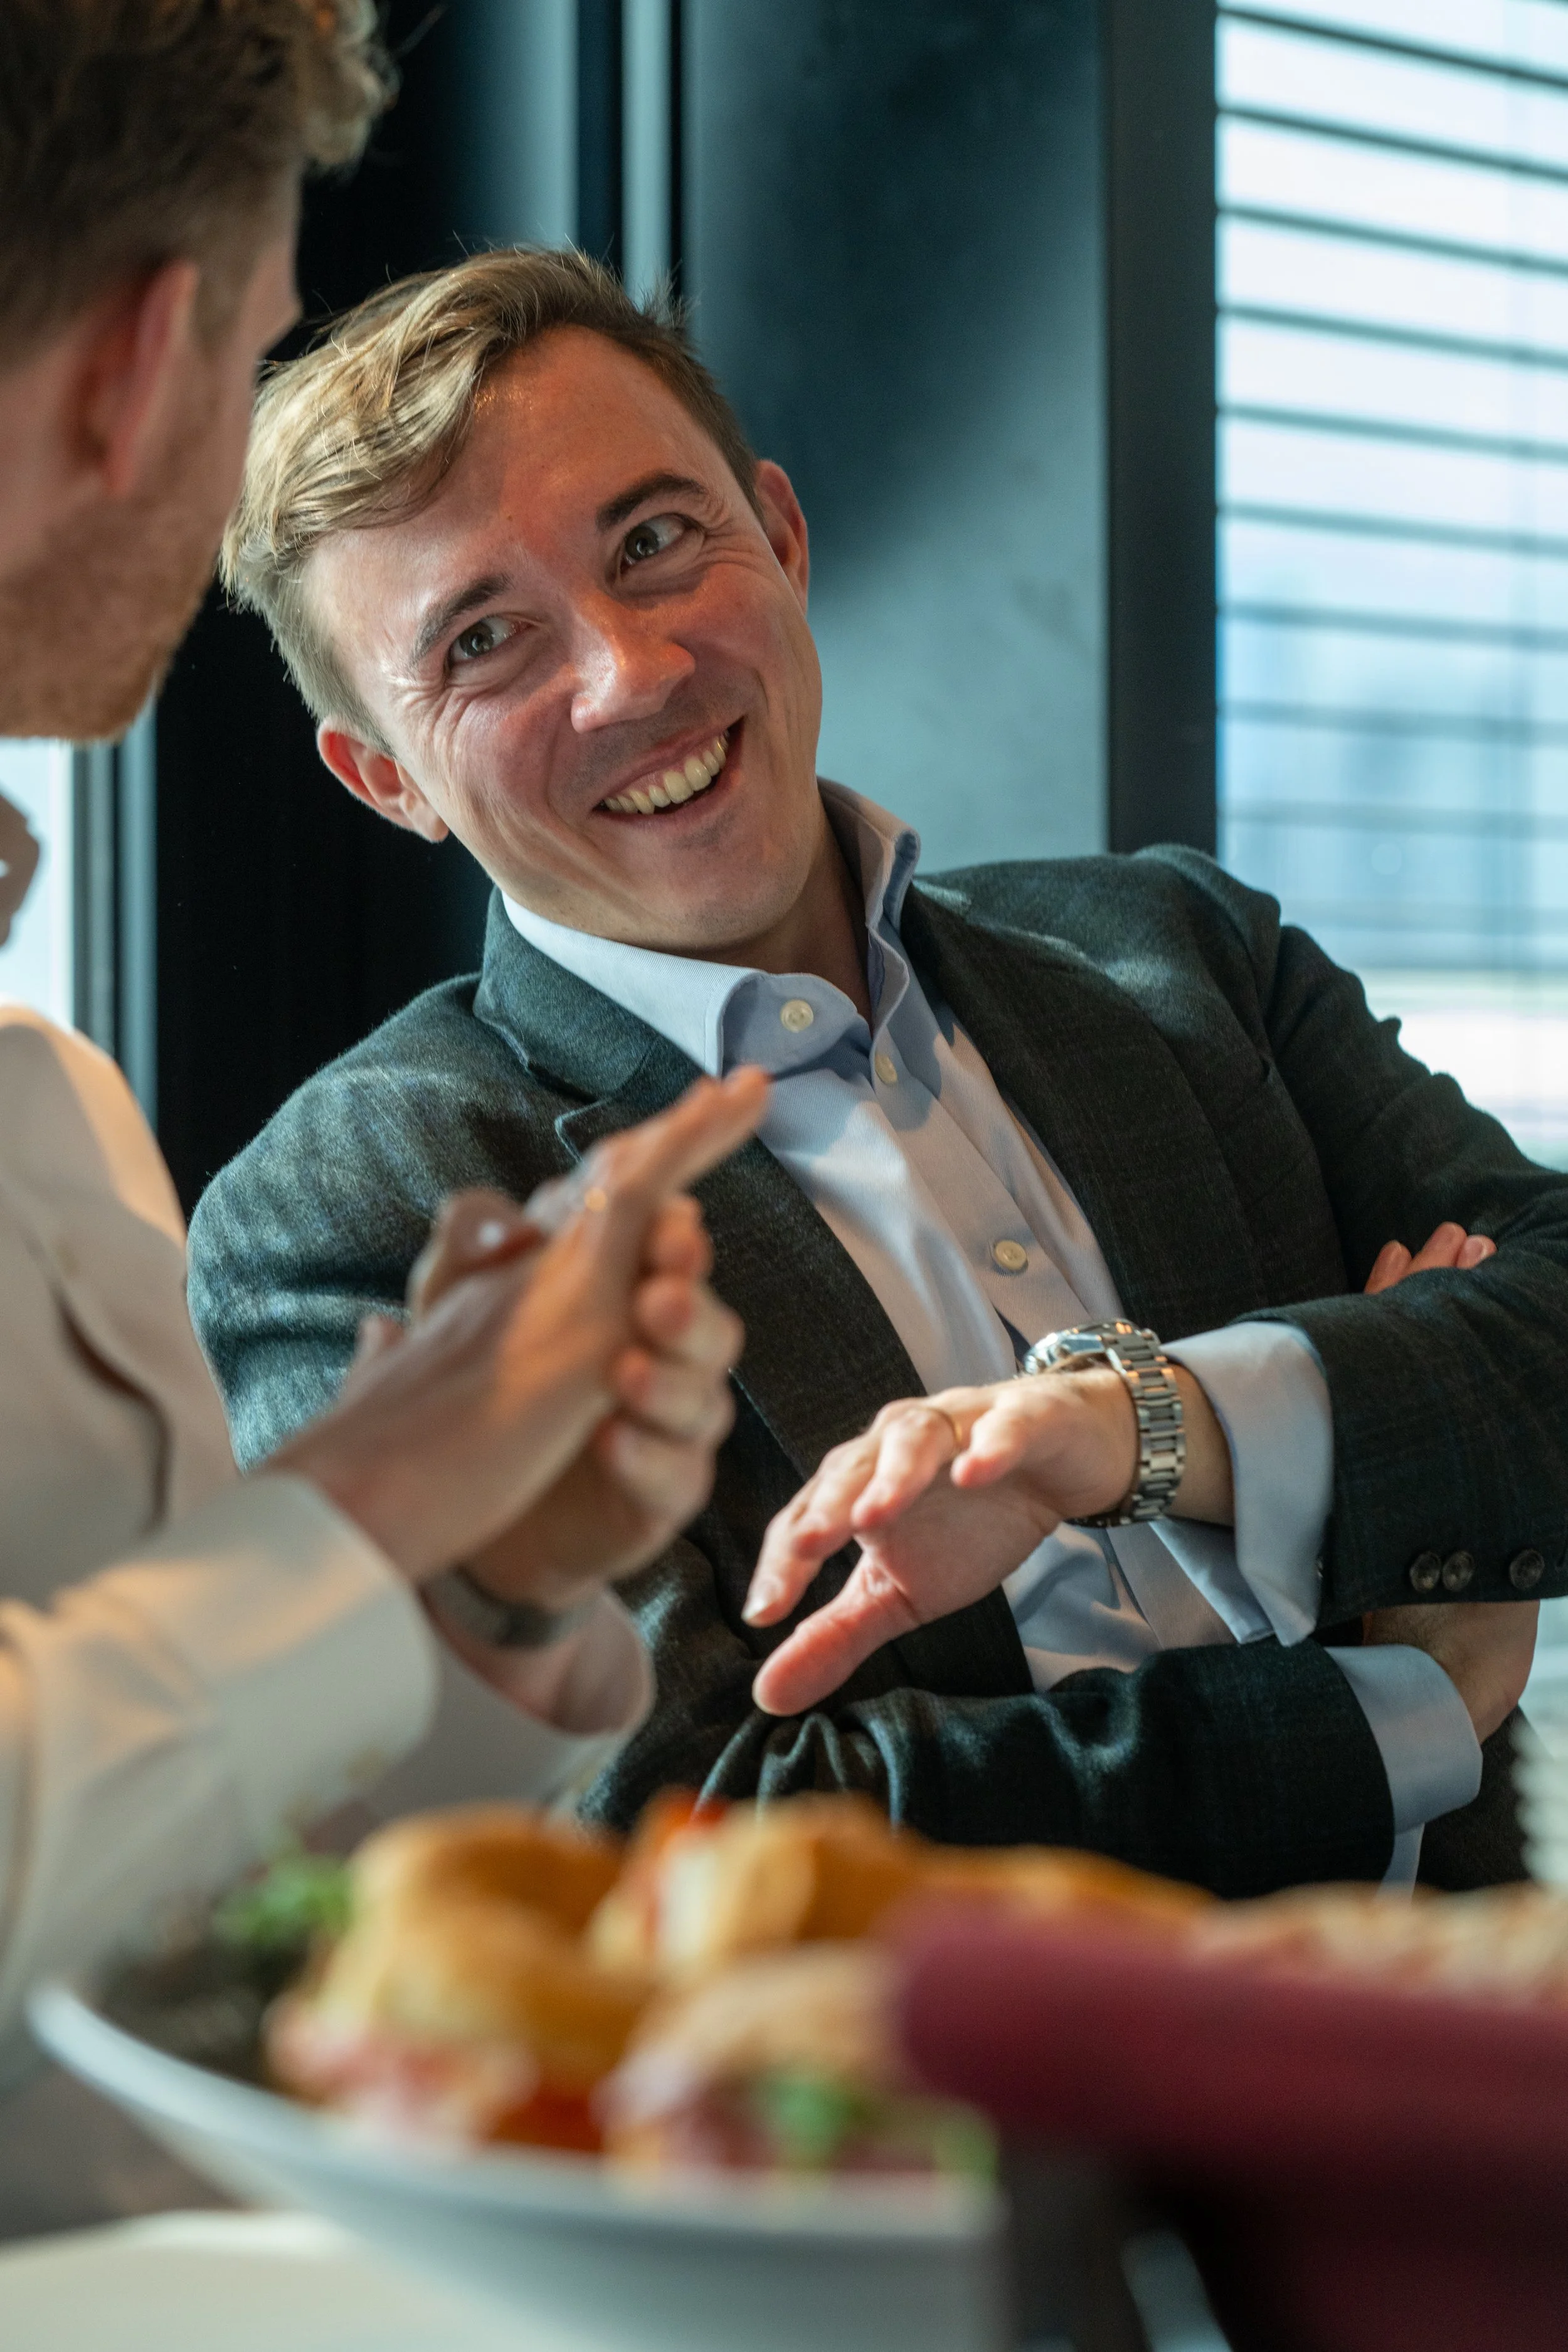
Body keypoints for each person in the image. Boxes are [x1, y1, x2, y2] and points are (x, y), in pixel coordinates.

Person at [191, 245, 1553, 1900]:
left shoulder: (1181, 951)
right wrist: (1396, 1698)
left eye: (655, 540)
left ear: (780, 531)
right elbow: (660, 1832)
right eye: (483, 641)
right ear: (384, 778)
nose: (629, 672)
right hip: (899, 2139)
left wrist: (1146, 1425)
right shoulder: (364, 1200)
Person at [0, 1, 767, 2235]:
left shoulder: (60, 1104)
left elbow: (181, 1902)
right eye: (254, 347)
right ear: (147, 366)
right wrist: (373, 1486)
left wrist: (496, 1596)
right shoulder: (341, 1168)